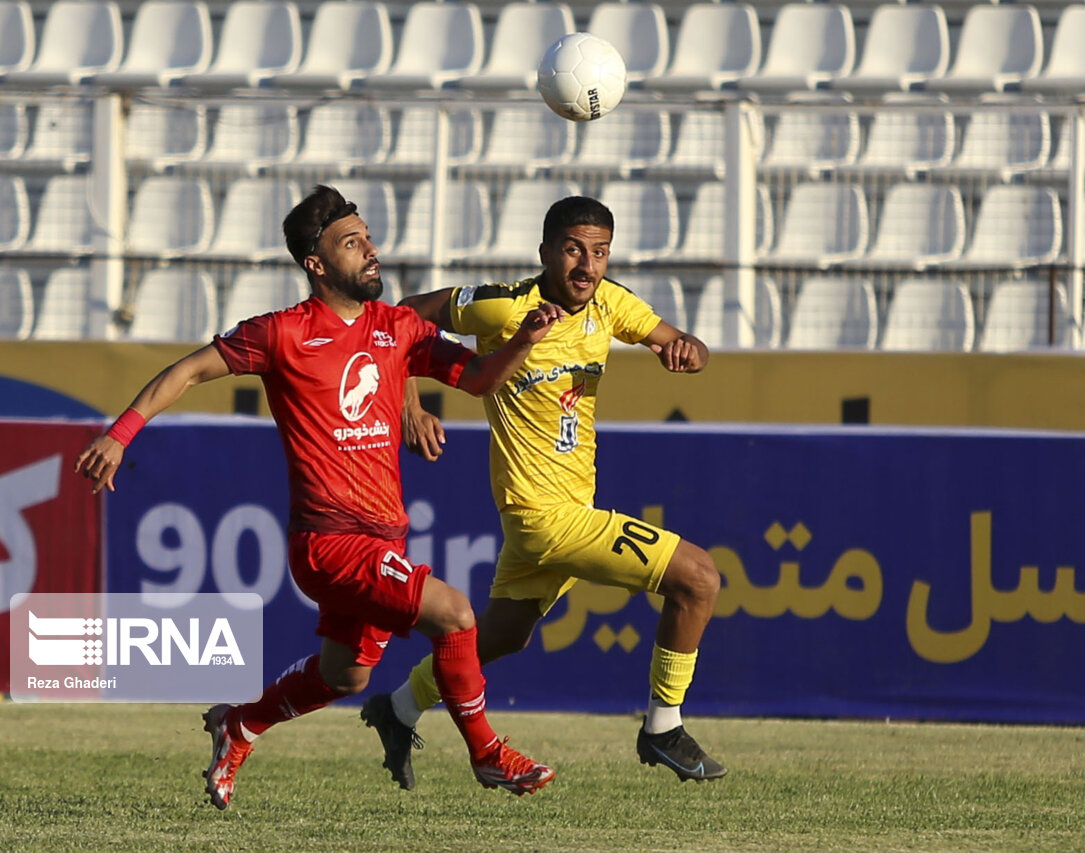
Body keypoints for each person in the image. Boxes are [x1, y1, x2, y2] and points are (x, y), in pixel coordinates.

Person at [74, 186, 565, 809]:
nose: (371, 251)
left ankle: (240, 725)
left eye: (368, 238)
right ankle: (489, 754)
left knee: (345, 676)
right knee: (457, 615)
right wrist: (120, 436)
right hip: (329, 542)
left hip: (383, 536)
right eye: (352, 243)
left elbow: (475, 378)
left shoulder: (399, 327)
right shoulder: (281, 334)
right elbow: (190, 371)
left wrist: (522, 340)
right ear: (317, 263)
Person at [360, 195, 726, 788]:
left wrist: (687, 349)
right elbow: (399, 317)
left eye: (600, 252)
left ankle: (397, 709)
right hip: (542, 518)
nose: (588, 265)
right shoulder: (505, 307)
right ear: (546, 253)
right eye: (574, 250)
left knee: (498, 639)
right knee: (699, 577)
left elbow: (681, 341)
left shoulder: (609, 304)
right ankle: (663, 726)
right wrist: (409, 404)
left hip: (557, 514)